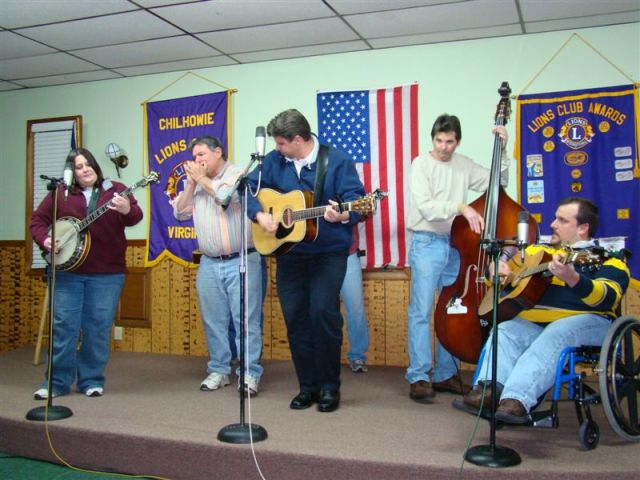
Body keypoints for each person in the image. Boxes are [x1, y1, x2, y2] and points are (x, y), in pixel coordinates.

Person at [458, 197, 630, 423]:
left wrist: (574, 279)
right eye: (555, 218)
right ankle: (489, 389)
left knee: (559, 331)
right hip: (537, 324)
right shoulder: (537, 251)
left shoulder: (608, 260)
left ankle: (516, 399)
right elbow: (497, 277)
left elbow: (607, 298)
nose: (552, 224)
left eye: (562, 220)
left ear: (583, 228)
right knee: (507, 329)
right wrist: (495, 269)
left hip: (589, 323)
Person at [247, 109, 365, 412]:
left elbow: (359, 201)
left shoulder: (335, 160)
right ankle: (308, 387)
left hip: (328, 254)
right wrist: (260, 214)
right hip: (289, 255)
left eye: (281, 144)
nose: (277, 149)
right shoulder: (273, 162)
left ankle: (329, 387)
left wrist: (344, 213)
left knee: (323, 315)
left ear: (298, 139)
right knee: (296, 319)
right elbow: (246, 190)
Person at [406, 113, 510, 402]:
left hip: (455, 245)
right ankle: (418, 376)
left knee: (453, 310)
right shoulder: (420, 164)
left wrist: (504, 149)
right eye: (439, 141)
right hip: (426, 242)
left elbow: (495, 183)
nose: (443, 147)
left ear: (457, 141)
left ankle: (445, 374)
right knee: (422, 311)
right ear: (433, 139)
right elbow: (427, 207)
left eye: (449, 141)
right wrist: (462, 207)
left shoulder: (463, 164)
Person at [30, 147, 143, 399]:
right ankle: (56, 383)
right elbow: (37, 221)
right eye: (79, 167)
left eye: (88, 164)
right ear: (73, 172)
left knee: (97, 328)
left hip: (107, 274)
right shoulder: (60, 193)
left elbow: (136, 216)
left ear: (95, 166)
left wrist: (126, 208)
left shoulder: (115, 189)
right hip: (67, 273)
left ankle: (91, 379)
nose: (85, 169)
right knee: (63, 327)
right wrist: (46, 239)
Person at [174, 136, 263, 395]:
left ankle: (249, 373)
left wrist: (202, 180)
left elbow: (226, 196)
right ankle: (219, 370)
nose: (197, 161)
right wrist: (191, 185)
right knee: (213, 320)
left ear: (218, 152)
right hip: (209, 263)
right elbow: (179, 213)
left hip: (243, 259)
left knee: (246, 321)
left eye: (202, 154)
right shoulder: (196, 182)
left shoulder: (239, 173)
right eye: (194, 157)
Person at [341, 226, 369, 373]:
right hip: (319, 256)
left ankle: (357, 355)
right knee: (321, 309)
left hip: (348, 253)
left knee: (355, 308)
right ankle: (324, 355)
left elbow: (362, 211)